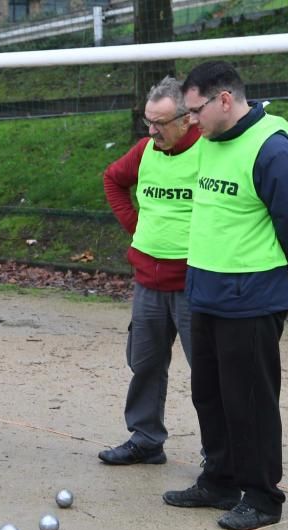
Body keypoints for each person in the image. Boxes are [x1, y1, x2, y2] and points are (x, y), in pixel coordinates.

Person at [162, 61, 288, 530]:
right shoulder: (211, 140)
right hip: (206, 291)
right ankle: (221, 479)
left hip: (249, 298)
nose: (191, 121)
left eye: (195, 111)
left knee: (250, 399)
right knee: (209, 394)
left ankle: (263, 496)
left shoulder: (271, 148)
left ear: (224, 100)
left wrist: (281, 262)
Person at [99, 76, 200, 466]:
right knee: (144, 364)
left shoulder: (208, 151)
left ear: (188, 118)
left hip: (195, 283)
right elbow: (113, 179)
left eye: (161, 122)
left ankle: (218, 455)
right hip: (148, 282)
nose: (153, 130)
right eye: (148, 122)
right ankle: (145, 439)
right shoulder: (145, 150)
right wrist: (135, 226)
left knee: (207, 373)